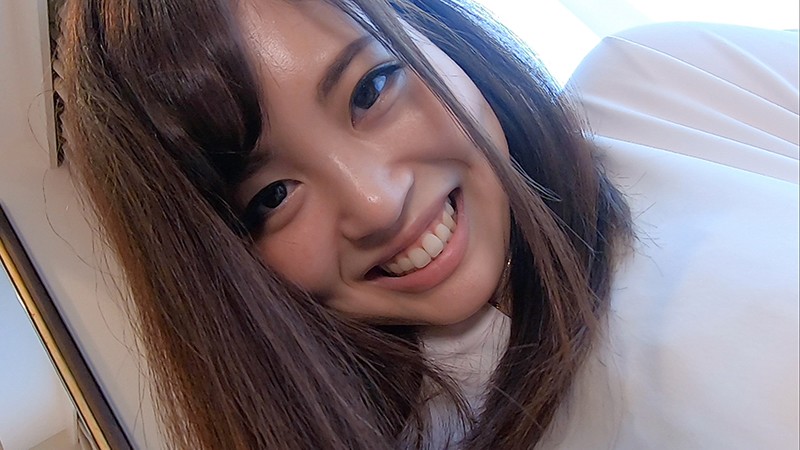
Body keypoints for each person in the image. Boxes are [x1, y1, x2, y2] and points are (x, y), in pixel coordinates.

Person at [60, 0, 798, 449]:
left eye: (371, 88)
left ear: (431, 31)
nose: (376, 204)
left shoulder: (658, 82)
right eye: (272, 197)